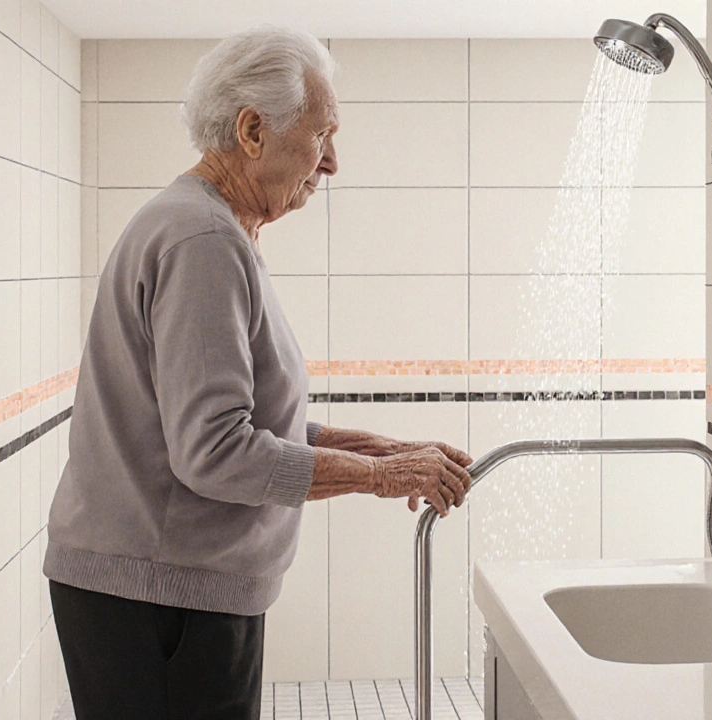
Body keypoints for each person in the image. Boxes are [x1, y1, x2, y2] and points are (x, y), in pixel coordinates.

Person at [42, 26, 472, 720]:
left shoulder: (210, 229)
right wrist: (379, 479)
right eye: (322, 134)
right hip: (159, 602)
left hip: (161, 593)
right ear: (251, 131)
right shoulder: (203, 241)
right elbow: (214, 453)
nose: (331, 161)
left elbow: (249, 424)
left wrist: (386, 451)